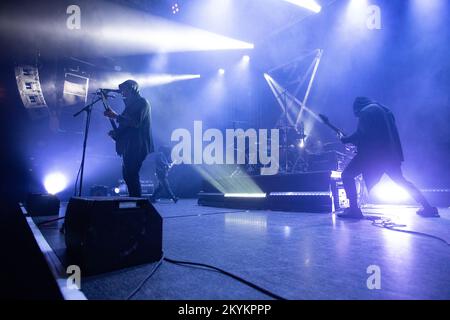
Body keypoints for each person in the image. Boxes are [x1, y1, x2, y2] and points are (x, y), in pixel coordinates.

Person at [338, 97, 439, 219]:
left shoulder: (366, 111)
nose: (357, 116)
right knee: (401, 181)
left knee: (347, 175)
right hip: (390, 155)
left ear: (357, 107)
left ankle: (354, 210)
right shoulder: (384, 111)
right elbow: (375, 135)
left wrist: (346, 139)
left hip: (373, 156)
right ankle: (428, 208)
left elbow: (361, 134)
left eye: (356, 114)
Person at [104, 80, 154, 197]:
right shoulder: (130, 106)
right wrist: (117, 134)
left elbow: (135, 123)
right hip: (129, 145)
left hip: (137, 145)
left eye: (124, 89)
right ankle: (134, 200)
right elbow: (127, 125)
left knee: (131, 174)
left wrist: (115, 116)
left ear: (132, 89)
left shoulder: (142, 102)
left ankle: (137, 202)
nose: (122, 93)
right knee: (127, 175)